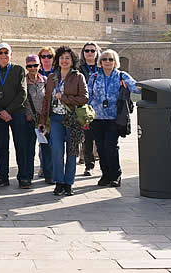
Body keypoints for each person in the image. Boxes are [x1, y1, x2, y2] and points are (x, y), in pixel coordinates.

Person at [38, 45, 89, 197]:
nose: (64, 61)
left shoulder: (78, 76)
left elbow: (84, 97)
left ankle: (68, 183)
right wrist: (42, 120)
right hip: (55, 118)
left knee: (71, 151)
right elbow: (47, 99)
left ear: (72, 60)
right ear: (57, 60)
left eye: (67, 58)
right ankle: (59, 182)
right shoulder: (52, 77)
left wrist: (65, 98)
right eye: (62, 58)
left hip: (72, 118)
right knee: (57, 150)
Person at [88, 49, 139, 188]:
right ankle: (105, 175)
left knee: (111, 146)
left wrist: (150, 87)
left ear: (115, 62)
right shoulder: (94, 77)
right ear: (100, 62)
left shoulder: (122, 76)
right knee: (101, 147)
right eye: (104, 59)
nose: (107, 62)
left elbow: (135, 87)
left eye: (110, 59)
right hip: (96, 118)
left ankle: (115, 175)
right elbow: (89, 96)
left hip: (114, 118)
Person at [0, 42, 28, 188]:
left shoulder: (18, 70)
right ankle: (3, 176)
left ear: (10, 55)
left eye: (6, 53)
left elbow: (22, 93)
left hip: (17, 113)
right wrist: (0, 111)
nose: (3, 55)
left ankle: (24, 177)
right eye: (0, 53)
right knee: (1, 147)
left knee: (21, 145)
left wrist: (8, 111)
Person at [24, 54, 51, 184]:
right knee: (29, 150)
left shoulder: (44, 80)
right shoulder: (23, 82)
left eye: (35, 65)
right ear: (26, 67)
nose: (33, 68)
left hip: (43, 120)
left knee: (46, 148)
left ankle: (48, 173)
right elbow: (20, 100)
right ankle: (27, 177)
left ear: (39, 66)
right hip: (29, 120)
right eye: (30, 66)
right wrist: (26, 114)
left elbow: (48, 99)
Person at [77, 42, 101, 177]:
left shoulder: (102, 67)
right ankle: (89, 165)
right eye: (87, 51)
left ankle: (104, 164)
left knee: (102, 138)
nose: (90, 53)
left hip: (101, 109)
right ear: (83, 53)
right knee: (87, 138)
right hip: (85, 108)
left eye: (92, 50)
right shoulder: (79, 69)